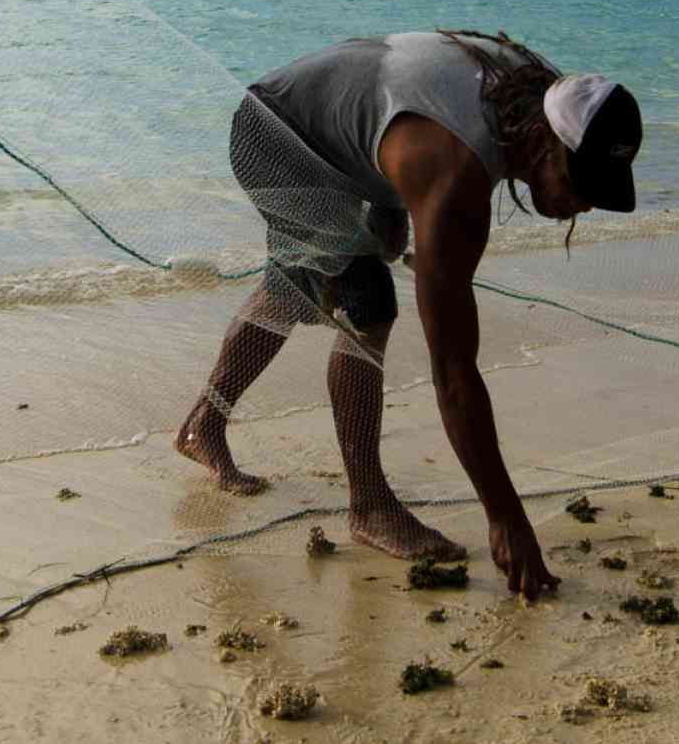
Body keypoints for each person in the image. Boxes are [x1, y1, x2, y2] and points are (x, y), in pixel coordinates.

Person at [174, 30, 643, 602]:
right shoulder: (454, 176)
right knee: (367, 301)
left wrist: (389, 199)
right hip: (277, 133)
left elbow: (403, 92)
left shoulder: (537, 95)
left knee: (300, 279)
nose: (586, 204)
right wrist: (505, 517)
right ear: (546, 144)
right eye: (579, 185)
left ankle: (205, 425)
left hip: (338, 128)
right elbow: (453, 370)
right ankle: (369, 505)